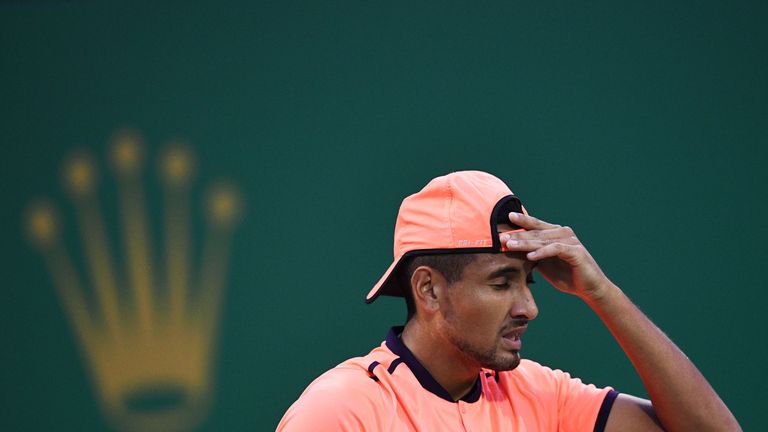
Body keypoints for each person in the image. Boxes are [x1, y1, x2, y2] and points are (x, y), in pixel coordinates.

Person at [276, 170, 740, 431]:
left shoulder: (542, 394)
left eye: (529, 283)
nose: (528, 308)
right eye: (502, 284)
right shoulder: (344, 409)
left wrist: (601, 293)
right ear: (429, 289)